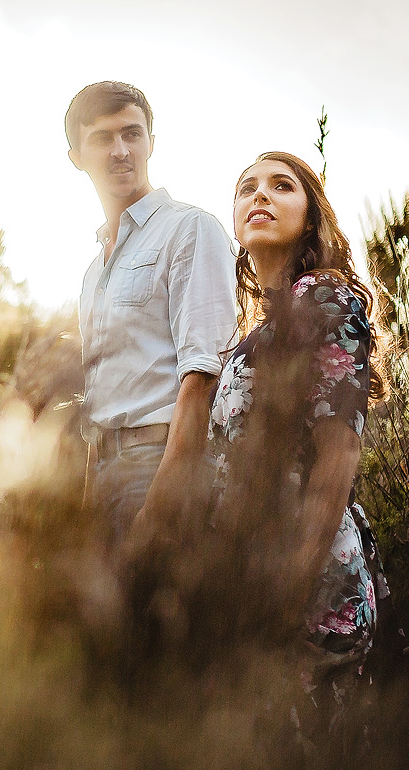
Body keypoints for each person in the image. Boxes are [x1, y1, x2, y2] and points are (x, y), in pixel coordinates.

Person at [212, 151, 388, 676]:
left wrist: (289, 595)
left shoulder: (325, 295)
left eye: (281, 186)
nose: (259, 195)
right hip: (253, 579)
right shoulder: (257, 331)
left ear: (311, 218)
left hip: (309, 591)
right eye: (247, 188)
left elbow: (338, 458)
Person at [65, 82, 237, 553]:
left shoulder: (190, 228)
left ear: (151, 144)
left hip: (157, 466)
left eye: (132, 134)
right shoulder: (92, 271)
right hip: (101, 472)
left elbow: (203, 376)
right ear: (76, 156)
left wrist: (158, 512)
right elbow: (98, 394)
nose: (121, 151)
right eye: (102, 138)